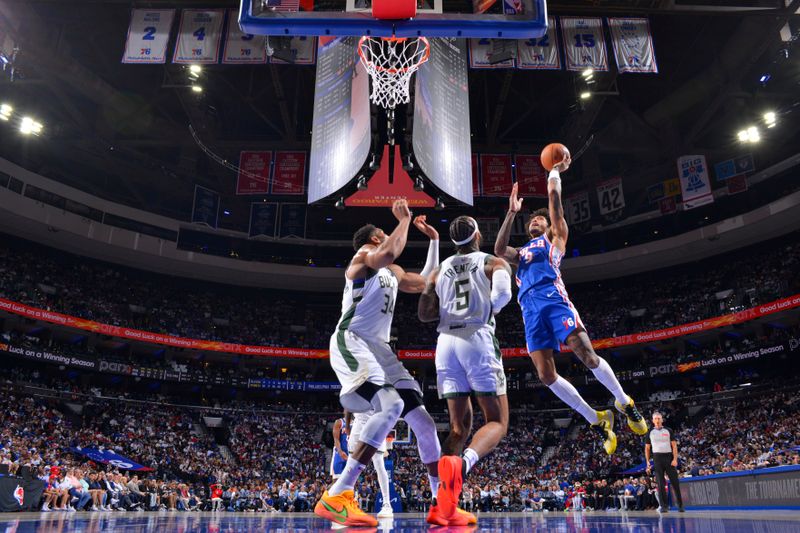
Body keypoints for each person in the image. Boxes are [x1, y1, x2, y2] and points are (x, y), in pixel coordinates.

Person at [494, 160, 648, 455]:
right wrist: (512, 213)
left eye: (537, 221)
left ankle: (623, 400)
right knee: (545, 376)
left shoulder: (555, 240)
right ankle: (597, 420)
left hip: (554, 301)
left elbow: (554, 201)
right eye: (530, 222)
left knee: (587, 355)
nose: (533, 223)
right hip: (529, 311)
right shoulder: (521, 254)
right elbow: (500, 250)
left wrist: (553, 172)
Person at [315, 199, 443, 527]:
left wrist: (434, 241)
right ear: (374, 238)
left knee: (424, 423)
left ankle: (440, 499)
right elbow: (387, 252)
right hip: (353, 341)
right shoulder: (362, 260)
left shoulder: (392, 272)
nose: (390, 234)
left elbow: (426, 281)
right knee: (390, 405)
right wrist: (404, 219)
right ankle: (337, 495)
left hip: (382, 350)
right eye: (384, 232)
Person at [418, 216, 514, 525]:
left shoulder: (439, 269)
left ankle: (443, 504)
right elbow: (503, 296)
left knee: (459, 428)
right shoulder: (492, 261)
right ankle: (464, 464)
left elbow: (424, 313)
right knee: (497, 420)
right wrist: (485, 308)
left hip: (445, 344)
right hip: (476, 337)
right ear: (477, 235)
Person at [347, 411, 394, 518]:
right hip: (358, 422)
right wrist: (348, 427)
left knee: (379, 464)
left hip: (376, 423)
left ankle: (387, 504)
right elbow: (348, 405)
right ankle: (349, 501)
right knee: (351, 465)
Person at [645, 411, 685, 512]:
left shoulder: (668, 430)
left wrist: (675, 459)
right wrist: (647, 462)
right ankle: (664, 506)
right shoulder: (650, 432)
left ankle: (680, 505)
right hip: (657, 458)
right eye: (655, 419)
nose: (657, 420)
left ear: (662, 419)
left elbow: (674, 445)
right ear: (653, 420)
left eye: (659, 418)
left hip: (669, 457)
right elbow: (647, 448)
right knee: (660, 483)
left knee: (675, 482)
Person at [330, 414, 349, 481]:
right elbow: (336, 439)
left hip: (351, 454)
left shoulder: (357, 424)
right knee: (336, 480)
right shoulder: (339, 422)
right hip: (340, 453)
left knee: (350, 481)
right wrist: (340, 452)